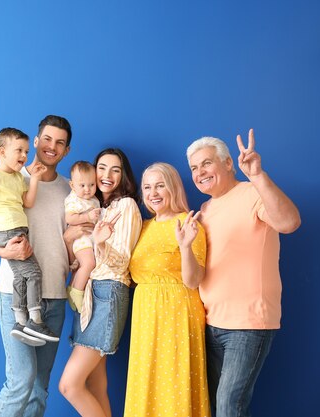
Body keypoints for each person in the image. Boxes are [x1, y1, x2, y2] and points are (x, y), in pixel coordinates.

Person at [186, 129, 301, 417]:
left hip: (248, 324)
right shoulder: (204, 210)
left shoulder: (253, 192)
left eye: (207, 163)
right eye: (194, 168)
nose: (200, 172)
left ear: (228, 164)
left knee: (229, 406)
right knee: (215, 406)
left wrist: (258, 176)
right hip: (211, 323)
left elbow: (289, 223)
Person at [0, 115, 76, 417]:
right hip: (13, 293)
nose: (51, 147)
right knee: (20, 379)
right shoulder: (11, 180)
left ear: (66, 151)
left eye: (59, 143)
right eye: (47, 139)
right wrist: (4, 250)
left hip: (55, 297)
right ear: (35, 141)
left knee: (39, 386)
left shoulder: (72, 190)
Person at [59, 148, 142, 417]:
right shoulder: (96, 207)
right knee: (96, 384)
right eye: (102, 168)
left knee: (69, 386)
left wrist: (99, 241)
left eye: (115, 169)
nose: (107, 175)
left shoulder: (125, 205)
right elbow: (75, 245)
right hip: (92, 293)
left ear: (124, 175)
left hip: (108, 291)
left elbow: (121, 261)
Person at [124, 162, 210, 417]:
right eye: (148, 187)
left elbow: (194, 281)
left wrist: (185, 246)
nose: (153, 193)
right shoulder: (144, 226)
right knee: (147, 382)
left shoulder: (189, 223)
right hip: (145, 314)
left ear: (173, 187)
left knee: (174, 381)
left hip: (177, 313)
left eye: (160, 185)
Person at [0, 128, 58, 345]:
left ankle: (20, 321)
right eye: (19, 151)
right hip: (7, 231)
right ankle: (35, 319)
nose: (24, 156)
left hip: (18, 230)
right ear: (2, 152)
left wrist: (33, 179)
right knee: (33, 273)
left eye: (25, 151)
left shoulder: (17, 177)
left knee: (21, 276)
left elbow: (28, 202)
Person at [64, 161, 101, 314]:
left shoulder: (93, 199)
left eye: (91, 184)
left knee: (82, 266)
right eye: (82, 185)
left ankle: (72, 287)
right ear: (72, 186)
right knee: (89, 263)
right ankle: (77, 292)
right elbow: (70, 219)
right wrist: (87, 216)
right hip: (80, 239)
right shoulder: (74, 200)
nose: (87, 189)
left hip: (90, 238)